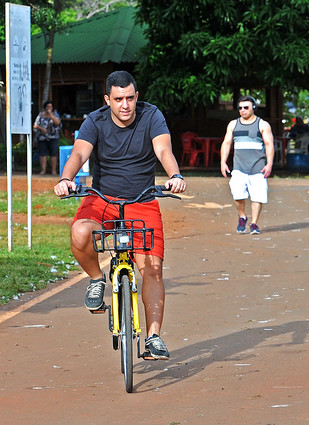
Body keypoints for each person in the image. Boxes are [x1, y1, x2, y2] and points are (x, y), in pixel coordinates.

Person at [54, 71, 187, 360]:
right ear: (107, 99)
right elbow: (78, 154)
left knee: (152, 268)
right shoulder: (95, 121)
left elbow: (163, 148)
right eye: (118, 99)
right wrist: (66, 178)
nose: (125, 105)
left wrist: (174, 174)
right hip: (102, 198)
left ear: (136, 96)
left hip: (142, 200)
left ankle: (153, 337)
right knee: (80, 231)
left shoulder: (151, 116)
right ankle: (96, 279)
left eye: (130, 98)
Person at [220, 95, 274, 235]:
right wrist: (223, 162)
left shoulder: (262, 124)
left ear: (253, 108)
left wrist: (269, 164)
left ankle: (254, 223)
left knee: (258, 197)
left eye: (246, 107)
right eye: (240, 108)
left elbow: (269, 145)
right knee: (237, 194)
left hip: (258, 167)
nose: (242, 110)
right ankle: (242, 216)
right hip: (239, 167)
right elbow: (226, 143)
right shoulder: (233, 124)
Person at [33, 100, 62, 175]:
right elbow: (35, 125)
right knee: (42, 154)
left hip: (53, 137)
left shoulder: (55, 114)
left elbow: (57, 123)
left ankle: (53, 170)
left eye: (50, 106)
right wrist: (42, 128)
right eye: (47, 106)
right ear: (45, 107)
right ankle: (43, 170)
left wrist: (51, 115)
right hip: (42, 137)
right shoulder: (41, 115)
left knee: (53, 154)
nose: (49, 108)